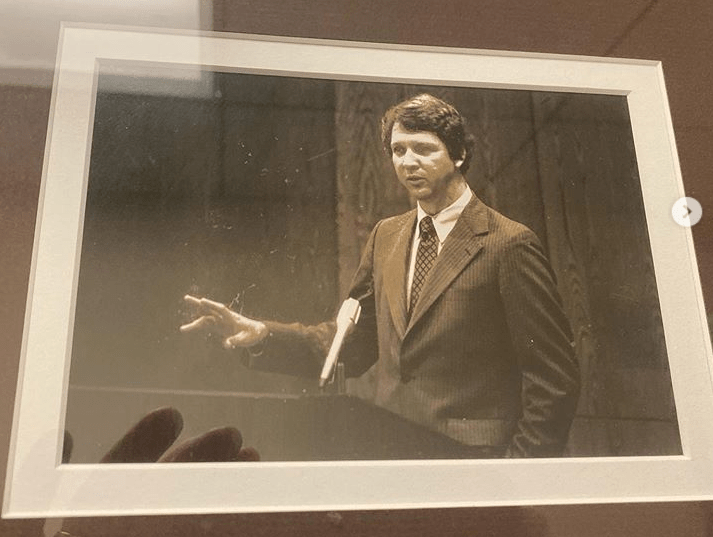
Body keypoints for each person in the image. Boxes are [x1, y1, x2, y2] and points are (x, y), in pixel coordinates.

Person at [182, 93, 580, 458]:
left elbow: (553, 378)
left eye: (424, 149)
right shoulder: (386, 236)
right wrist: (263, 334)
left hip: (477, 461)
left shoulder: (508, 243)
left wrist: (519, 471)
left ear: (458, 154)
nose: (408, 162)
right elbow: (348, 345)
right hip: (393, 450)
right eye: (398, 150)